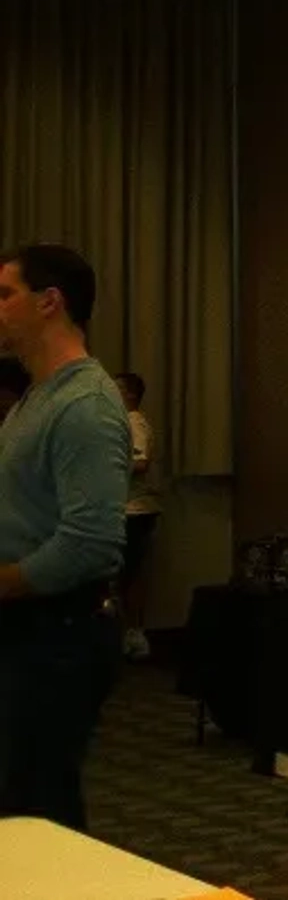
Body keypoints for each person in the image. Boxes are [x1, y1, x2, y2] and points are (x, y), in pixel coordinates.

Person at [0, 243, 130, 830]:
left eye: (5, 294)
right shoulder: (36, 397)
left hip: (57, 634)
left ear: (49, 302)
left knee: (36, 806)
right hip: (29, 627)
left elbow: (90, 542)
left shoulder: (84, 405)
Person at [114, 371, 159, 661]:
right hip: (126, 510)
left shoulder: (134, 423)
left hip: (134, 511)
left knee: (126, 575)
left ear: (130, 395)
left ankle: (133, 635)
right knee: (123, 575)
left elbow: (141, 463)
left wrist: (109, 464)